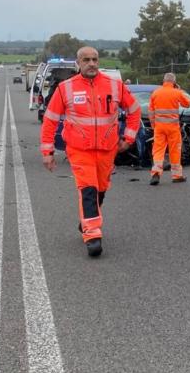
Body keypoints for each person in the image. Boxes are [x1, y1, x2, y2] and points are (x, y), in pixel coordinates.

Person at [40, 47, 141, 257]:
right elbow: (50, 119)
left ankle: (86, 222)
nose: (92, 63)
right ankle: (93, 235)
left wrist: (128, 138)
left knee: (101, 189)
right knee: (88, 189)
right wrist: (47, 151)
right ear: (78, 63)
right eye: (86, 60)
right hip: (79, 151)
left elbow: (134, 111)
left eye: (95, 59)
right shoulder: (65, 88)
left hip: (107, 150)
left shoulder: (115, 86)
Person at [147, 72, 190, 185]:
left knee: (158, 150)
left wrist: (154, 126)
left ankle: (155, 173)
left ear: (163, 81)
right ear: (174, 82)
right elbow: (187, 104)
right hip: (173, 128)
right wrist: (179, 91)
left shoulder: (155, 93)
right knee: (175, 150)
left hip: (159, 127)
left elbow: (150, 112)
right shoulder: (176, 92)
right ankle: (177, 175)